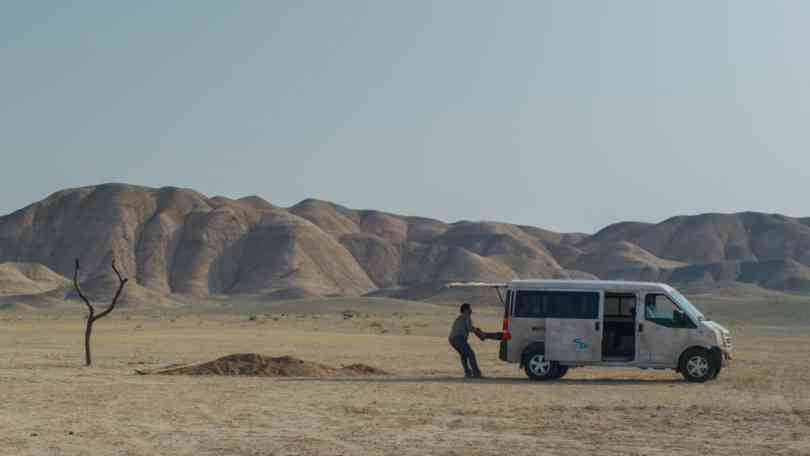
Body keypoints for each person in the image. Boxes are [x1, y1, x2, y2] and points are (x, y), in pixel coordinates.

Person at [448, 303, 483, 378]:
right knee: (471, 354)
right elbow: (470, 328)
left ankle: (468, 373)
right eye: (470, 308)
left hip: (452, 339)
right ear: (466, 310)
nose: (471, 310)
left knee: (464, 355)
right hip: (459, 338)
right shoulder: (466, 316)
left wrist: (475, 330)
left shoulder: (460, 317)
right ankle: (476, 373)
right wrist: (478, 331)